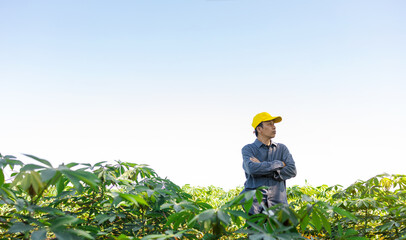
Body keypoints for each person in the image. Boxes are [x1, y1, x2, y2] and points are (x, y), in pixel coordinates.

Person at [241, 112, 297, 215]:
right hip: (255, 207)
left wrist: (261, 165)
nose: (274, 127)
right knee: (255, 231)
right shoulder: (248, 149)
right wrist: (279, 164)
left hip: (279, 206)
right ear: (259, 129)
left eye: (274, 124)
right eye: (269, 124)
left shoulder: (282, 148)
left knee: (285, 231)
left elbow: (292, 170)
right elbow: (251, 169)